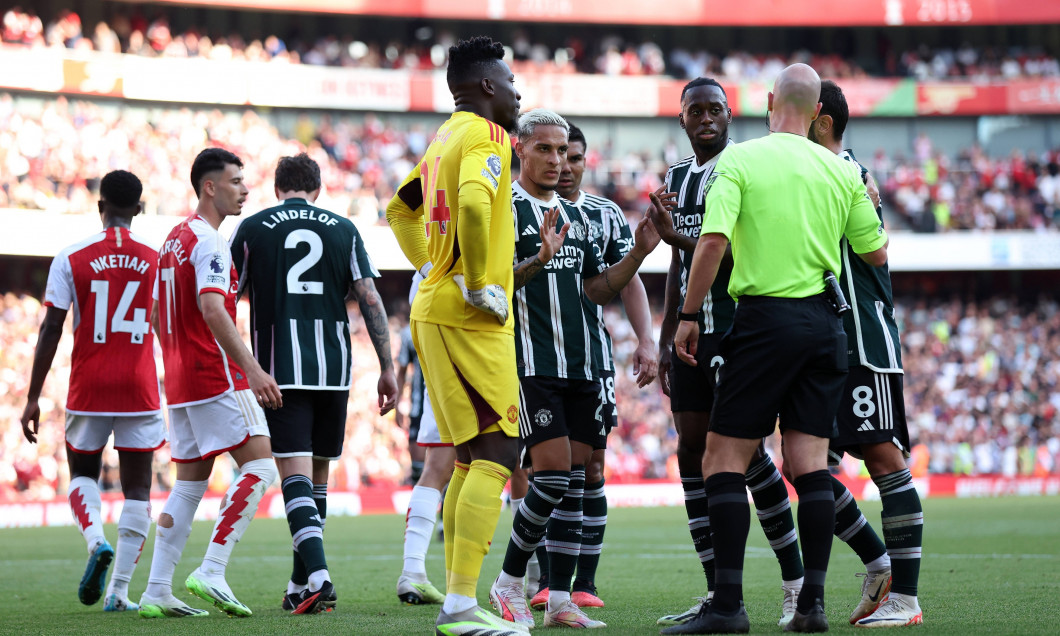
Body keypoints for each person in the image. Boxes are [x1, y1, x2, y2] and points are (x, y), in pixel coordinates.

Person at [672, 64, 889, 634]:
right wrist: (862, 197)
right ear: (820, 114)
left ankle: (726, 607)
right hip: (826, 324)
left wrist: (689, 315)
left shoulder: (743, 159)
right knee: (808, 464)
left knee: (721, 459)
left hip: (765, 319)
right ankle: (812, 605)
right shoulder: (841, 169)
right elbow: (876, 254)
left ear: (770, 101)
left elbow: (714, 241)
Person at [488, 108, 660, 630]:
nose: (557, 161)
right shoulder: (502, 210)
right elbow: (489, 290)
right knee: (552, 475)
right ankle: (509, 582)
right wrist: (538, 259)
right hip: (532, 364)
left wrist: (638, 257)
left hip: (586, 364)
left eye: (563, 151)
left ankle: (560, 599)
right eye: (545, 149)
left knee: (574, 483)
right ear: (521, 149)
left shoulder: (584, 215)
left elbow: (596, 290)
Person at [649, 78, 806, 631]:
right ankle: (718, 592)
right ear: (684, 118)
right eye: (696, 110)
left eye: (715, 109)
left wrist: (680, 242)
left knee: (747, 456)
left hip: (738, 331)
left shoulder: (747, 167)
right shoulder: (676, 178)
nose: (706, 118)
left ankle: (794, 585)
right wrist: (669, 333)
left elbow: (741, 249)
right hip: (691, 335)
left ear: (731, 114)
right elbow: (676, 267)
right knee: (691, 451)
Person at [385, 36, 529, 636]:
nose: (519, 93)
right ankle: (461, 605)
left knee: (470, 456)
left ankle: (456, 600)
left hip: (431, 308)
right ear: (489, 86)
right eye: (512, 82)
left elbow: (400, 211)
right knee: (500, 452)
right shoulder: (488, 135)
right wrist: (472, 282)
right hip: (471, 317)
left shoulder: (442, 136)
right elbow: (472, 204)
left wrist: (432, 269)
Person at [229, 152, 397, 614]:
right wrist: (387, 366)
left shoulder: (254, 228)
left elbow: (225, 297)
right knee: (317, 475)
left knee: (294, 477)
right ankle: (299, 583)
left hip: (279, 369)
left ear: (277, 187)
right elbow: (370, 298)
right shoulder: (344, 228)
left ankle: (319, 578)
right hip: (334, 370)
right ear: (318, 189)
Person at [140, 147, 282, 619]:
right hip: (215, 374)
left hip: (180, 380)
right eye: (237, 181)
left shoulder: (172, 239)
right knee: (262, 468)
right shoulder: (210, 241)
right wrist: (255, 370)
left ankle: (157, 589)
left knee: (188, 486)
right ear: (210, 187)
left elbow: (158, 314)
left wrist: (175, 358)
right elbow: (212, 307)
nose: (245, 189)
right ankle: (213, 569)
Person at [806, 79, 924, 628]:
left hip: (860, 342)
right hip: (818, 343)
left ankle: (906, 597)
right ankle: (878, 564)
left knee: (881, 459)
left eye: (791, 112)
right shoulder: (820, 170)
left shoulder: (846, 170)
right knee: (805, 468)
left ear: (821, 121)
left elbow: (874, 250)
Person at [20, 170, 164, 612]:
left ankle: (96, 541)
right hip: (140, 385)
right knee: (138, 490)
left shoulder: (71, 256)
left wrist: (32, 396)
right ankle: (119, 592)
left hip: (91, 383)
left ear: (100, 207)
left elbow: (51, 329)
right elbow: (167, 328)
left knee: (83, 473)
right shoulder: (157, 260)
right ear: (139, 209)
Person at [396, 271, 456, 606]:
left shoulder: (426, 263)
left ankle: (413, 572)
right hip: (476, 366)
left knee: (436, 470)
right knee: (505, 465)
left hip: (436, 382)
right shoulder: (468, 245)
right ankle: (531, 579)